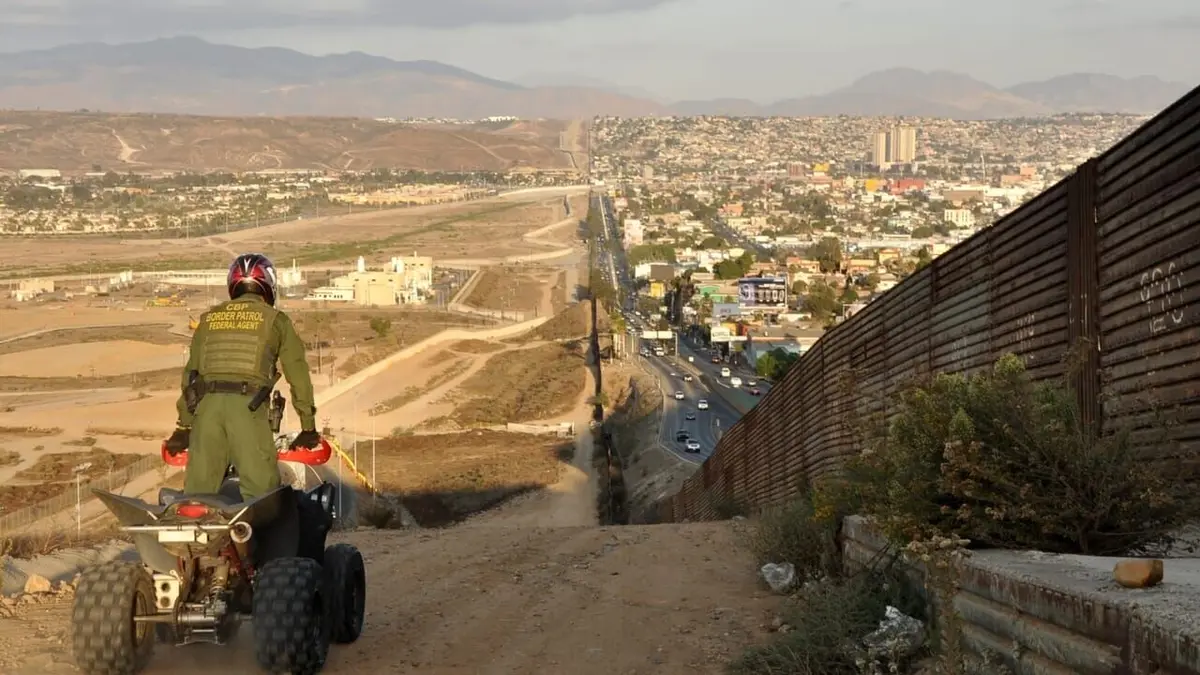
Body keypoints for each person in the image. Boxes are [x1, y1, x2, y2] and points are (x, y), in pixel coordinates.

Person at [164, 253, 319, 500]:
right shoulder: (276, 320)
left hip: (207, 413)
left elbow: (190, 377)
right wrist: (308, 426)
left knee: (196, 500)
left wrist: (183, 426)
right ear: (269, 284)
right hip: (248, 410)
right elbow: (297, 373)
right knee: (263, 499)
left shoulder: (208, 319)